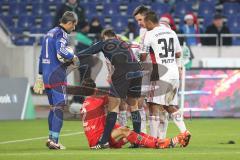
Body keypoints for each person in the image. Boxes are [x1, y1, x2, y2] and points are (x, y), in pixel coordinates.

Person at [77, 29, 143, 149]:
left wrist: (72, 58)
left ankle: (103, 141)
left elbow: (88, 51)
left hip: (123, 71)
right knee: (134, 106)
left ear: (105, 37)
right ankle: (137, 140)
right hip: (138, 71)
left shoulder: (104, 43)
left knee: (113, 106)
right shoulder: (124, 43)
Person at [79, 78, 189, 149]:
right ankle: (158, 144)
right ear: (95, 88)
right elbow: (115, 96)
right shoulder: (97, 100)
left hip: (99, 137)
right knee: (125, 131)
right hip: (98, 139)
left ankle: (161, 141)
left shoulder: (86, 103)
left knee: (130, 133)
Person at [141, 11, 191, 145]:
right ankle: (184, 131)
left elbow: (143, 56)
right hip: (174, 74)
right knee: (170, 105)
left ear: (150, 22)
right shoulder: (172, 32)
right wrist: (178, 67)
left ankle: (153, 140)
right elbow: (179, 53)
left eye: (145, 22)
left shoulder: (149, 34)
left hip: (160, 74)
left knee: (152, 104)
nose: (144, 25)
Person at [33, 11, 79, 149]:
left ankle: (50, 138)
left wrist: (40, 76)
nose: (74, 28)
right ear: (69, 23)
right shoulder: (61, 33)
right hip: (57, 75)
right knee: (59, 108)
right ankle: (55, 140)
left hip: (46, 76)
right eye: (74, 25)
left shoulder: (48, 33)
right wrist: (72, 56)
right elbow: (61, 51)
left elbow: (41, 56)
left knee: (53, 108)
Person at [133, 5, 169, 139]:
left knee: (159, 105)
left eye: (140, 19)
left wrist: (179, 66)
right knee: (141, 102)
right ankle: (144, 135)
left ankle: (161, 137)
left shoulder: (164, 27)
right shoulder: (143, 32)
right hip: (146, 71)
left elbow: (172, 47)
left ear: (147, 16)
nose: (139, 23)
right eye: (137, 20)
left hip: (160, 71)